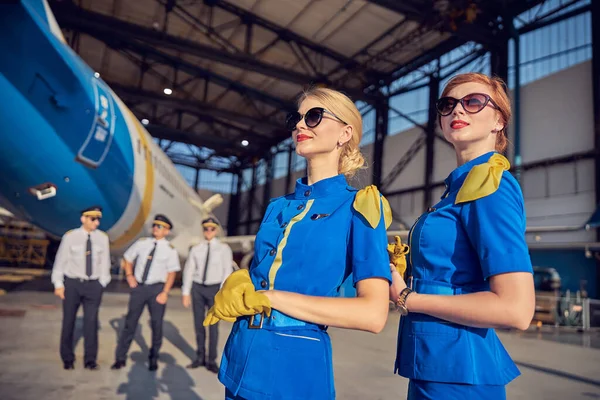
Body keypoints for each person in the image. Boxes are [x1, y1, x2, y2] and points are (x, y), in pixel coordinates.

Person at [205, 87, 393, 400]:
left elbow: (373, 315)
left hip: (294, 370)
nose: (300, 126)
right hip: (240, 360)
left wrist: (271, 298)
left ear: (344, 133)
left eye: (314, 116)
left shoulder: (359, 206)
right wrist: (244, 283)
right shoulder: (277, 206)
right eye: (297, 118)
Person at [390, 72, 535, 400]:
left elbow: (516, 308)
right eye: (448, 104)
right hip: (433, 366)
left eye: (473, 102)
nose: (458, 111)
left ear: (498, 120)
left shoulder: (489, 184)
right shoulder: (457, 190)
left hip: (459, 378)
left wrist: (408, 298)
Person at [111, 214, 181, 371]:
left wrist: (165, 292)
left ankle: (153, 358)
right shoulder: (142, 243)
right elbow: (128, 259)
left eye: (160, 226)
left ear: (167, 231)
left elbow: (171, 273)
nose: (156, 228)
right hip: (139, 289)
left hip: (157, 290)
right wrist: (129, 276)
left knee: (157, 325)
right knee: (130, 323)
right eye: (155, 225)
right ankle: (120, 358)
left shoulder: (170, 250)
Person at [51, 205, 111, 370]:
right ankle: (67, 359)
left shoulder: (102, 238)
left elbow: (105, 262)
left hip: (93, 286)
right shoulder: (70, 237)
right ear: (83, 219)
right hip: (73, 284)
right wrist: (58, 284)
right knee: (68, 322)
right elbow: (60, 262)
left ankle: (90, 360)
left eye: (98, 219)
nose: (96, 223)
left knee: (91, 323)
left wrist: (102, 282)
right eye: (93, 219)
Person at [182, 217, 234, 372]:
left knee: (213, 326)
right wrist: (185, 292)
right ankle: (199, 357)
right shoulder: (196, 249)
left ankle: (211, 360)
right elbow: (189, 270)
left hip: (214, 289)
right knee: (198, 324)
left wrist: (223, 293)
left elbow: (227, 271)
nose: (209, 232)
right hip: (198, 288)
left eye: (212, 229)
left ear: (216, 230)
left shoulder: (224, 249)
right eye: (206, 229)